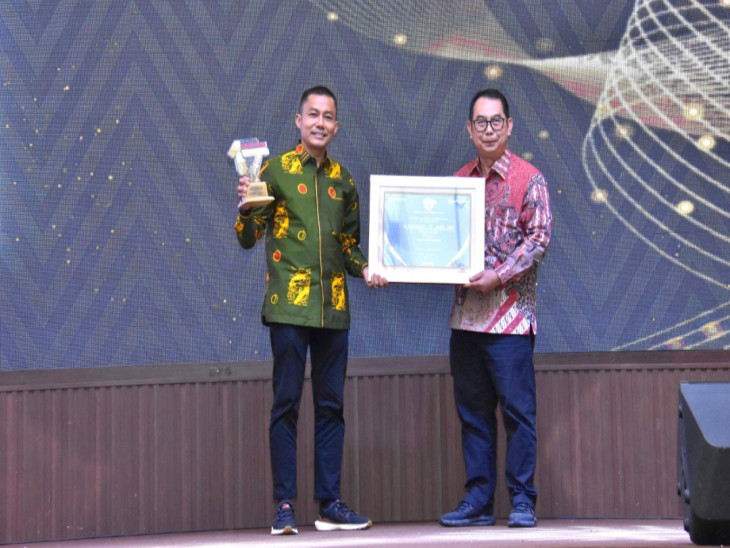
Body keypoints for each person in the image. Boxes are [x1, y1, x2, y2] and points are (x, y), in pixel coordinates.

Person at [235, 85, 387, 536]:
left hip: (333, 310)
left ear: (337, 126)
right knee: (286, 405)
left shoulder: (345, 181)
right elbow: (248, 238)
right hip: (288, 307)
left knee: (331, 407)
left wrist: (368, 269)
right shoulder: (274, 171)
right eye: (313, 114)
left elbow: (348, 246)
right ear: (298, 121)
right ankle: (284, 506)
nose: (321, 122)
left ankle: (330, 504)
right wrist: (246, 207)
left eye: (328, 116)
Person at [440, 89, 552, 529]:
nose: (488, 130)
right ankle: (479, 501)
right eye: (480, 123)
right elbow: (439, 241)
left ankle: (522, 500)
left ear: (509, 126)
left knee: (518, 414)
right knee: (473, 415)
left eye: (496, 121)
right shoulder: (456, 182)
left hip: (511, 320)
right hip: (466, 319)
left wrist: (499, 275)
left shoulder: (530, 179)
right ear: (470, 129)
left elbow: (539, 240)